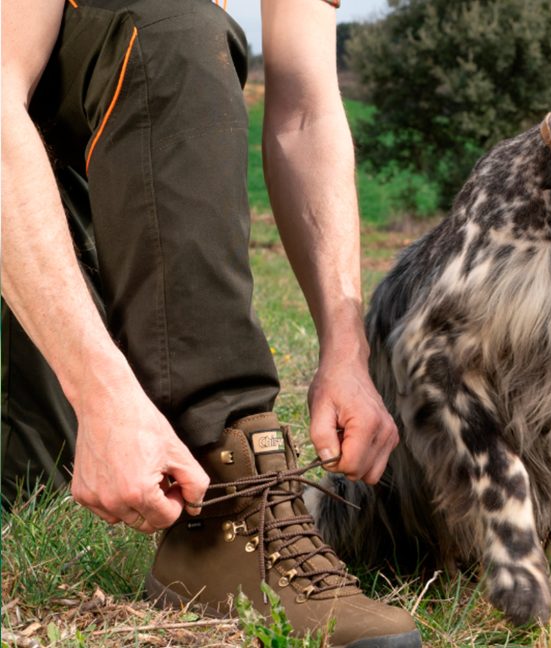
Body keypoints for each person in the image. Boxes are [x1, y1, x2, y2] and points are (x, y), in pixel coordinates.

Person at [1, 0, 421, 645]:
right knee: (170, 23)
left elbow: (305, 112)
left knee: (28, 486)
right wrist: (101, 391)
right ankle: (228, 480)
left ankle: (214, 519)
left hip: (58, 171)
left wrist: (345, 351)